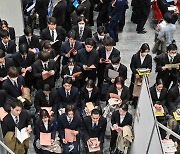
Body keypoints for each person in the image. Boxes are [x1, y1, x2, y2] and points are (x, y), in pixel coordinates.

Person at [129, 43, 152, 107]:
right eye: (145, 52)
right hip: (136, 75)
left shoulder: (149, 57)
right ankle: (133, 100)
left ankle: (139, 101)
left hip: (144, 76)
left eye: (147, 52)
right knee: (133, 88)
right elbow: (132, 66)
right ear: (141, 50)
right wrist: (135, 73)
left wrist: (147, 72)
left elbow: (150, 67)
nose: (146, 53)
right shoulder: (135, 56)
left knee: (142, 89)